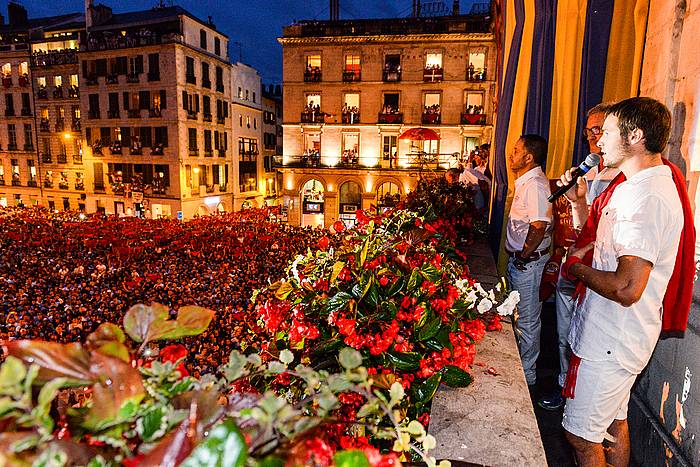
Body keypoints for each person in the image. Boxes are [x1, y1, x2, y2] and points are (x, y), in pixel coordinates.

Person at [559, 97, 688, 466]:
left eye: (608, 133)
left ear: (635, 135)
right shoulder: (634, 186)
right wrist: (579, 204)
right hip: (613, 336)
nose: (598, 141)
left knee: (581, 436)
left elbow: (627, 287)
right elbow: (603, 246)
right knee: (614, 424)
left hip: (611, 341)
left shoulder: (645, 197)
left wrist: (575, 268)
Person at [538, 103, 620, 411]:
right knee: (565, 333)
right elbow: (585, 226)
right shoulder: (590, 172)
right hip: (573, 267)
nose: (593, 138)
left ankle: (581, 400)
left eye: (599, 130)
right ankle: (563, 385)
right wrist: (575, 201)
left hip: (601, 275)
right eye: (588, 131)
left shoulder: (623, 176)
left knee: (589, 341)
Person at [505, 134, 553, 388]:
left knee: (527, 319)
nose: (511, 155)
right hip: (522, 261)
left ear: (529, 157)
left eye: (516, 150)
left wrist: (523, 255)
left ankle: (528, 376)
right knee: (519, 316)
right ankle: (522, 370)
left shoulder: (534, 184)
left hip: (528, 263)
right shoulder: (526, 182)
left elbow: (539, 225)